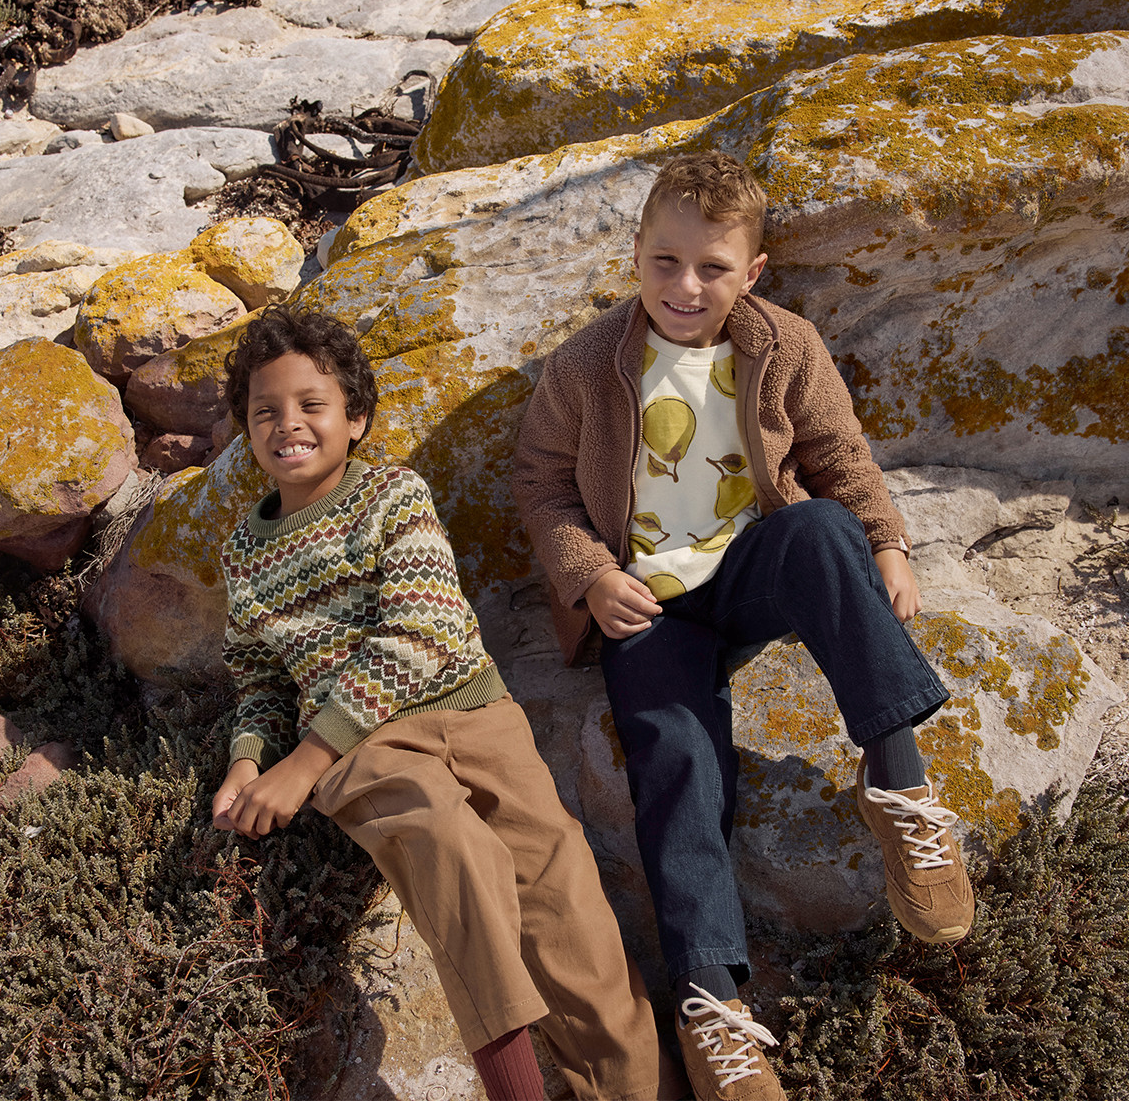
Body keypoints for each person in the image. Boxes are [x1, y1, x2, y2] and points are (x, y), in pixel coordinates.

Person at [512, 151, 975, 1101]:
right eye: (667, 262)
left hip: (747, 575)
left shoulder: (784, 345)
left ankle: (900, 789)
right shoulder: (587, 366)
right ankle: (712, 1004)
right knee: (677, 761)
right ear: (636, 255)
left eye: (713, 268)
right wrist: (591, 578)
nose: (688, 287)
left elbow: (838, 453)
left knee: (820, 529)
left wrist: (887, 543)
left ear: (751, 273)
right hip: (647, 609)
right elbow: (543, 483)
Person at [210, 304, 670, 1101]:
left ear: (355, 418)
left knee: (568, 903)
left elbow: (420, 629)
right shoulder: (245, 554)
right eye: (266, 413)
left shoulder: (394, 494)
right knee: (448, 849)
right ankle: (516, 1084)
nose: (289, 425)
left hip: (473, 714)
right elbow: (256, 676)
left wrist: (299, 765)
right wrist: (248, 762)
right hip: (364, 752)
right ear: (247, 431)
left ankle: (636, 1088)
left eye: (312, 406)